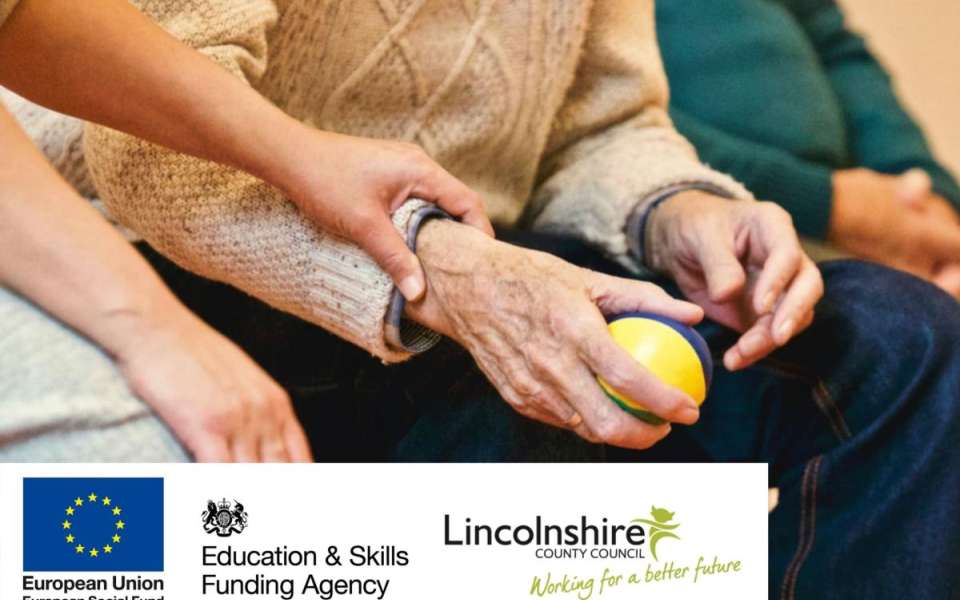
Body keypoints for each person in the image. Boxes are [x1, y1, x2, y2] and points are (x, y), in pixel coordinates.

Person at [8, 1, 960, 597]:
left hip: (493, 261)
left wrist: (683, 212)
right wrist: (439, 269)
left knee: (903, 342)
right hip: (226, 262)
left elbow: (606, 124)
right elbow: (143, 151)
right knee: (560, 463)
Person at [0, 0, 489, 461]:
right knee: (132, 476)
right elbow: (137, 158)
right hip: (86, 229)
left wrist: (302, 154)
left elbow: (23, 18)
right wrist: (153, 330)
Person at [656, 0, 960, 294]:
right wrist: (828, 204)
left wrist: (927, 195)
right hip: (711, 238)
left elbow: (839, 51)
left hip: (876, 221)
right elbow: (626, 123)